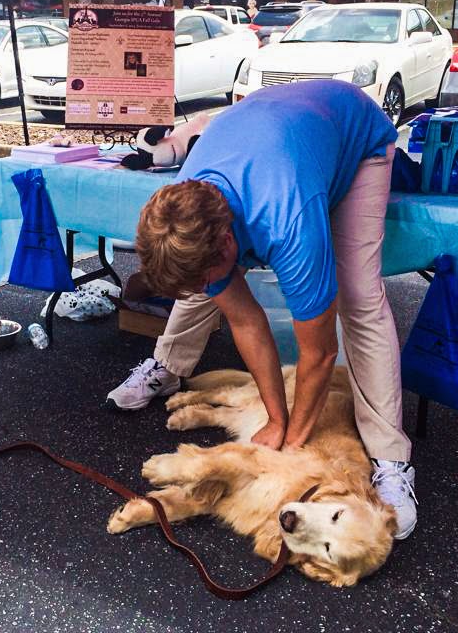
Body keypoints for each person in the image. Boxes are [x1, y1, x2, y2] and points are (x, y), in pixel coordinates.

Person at [119, 80, 417, 539]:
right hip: (270, 132)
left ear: (228, 240)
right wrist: (276, 419)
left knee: (358, 294)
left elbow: (318, 354)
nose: (208, 286)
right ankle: (168, 365)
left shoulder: (288, 219)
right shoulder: (183, 203)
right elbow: (244, 319)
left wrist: (290, 444)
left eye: (211, 274)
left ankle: (391, 458)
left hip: (356, 137)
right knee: (204, 286)